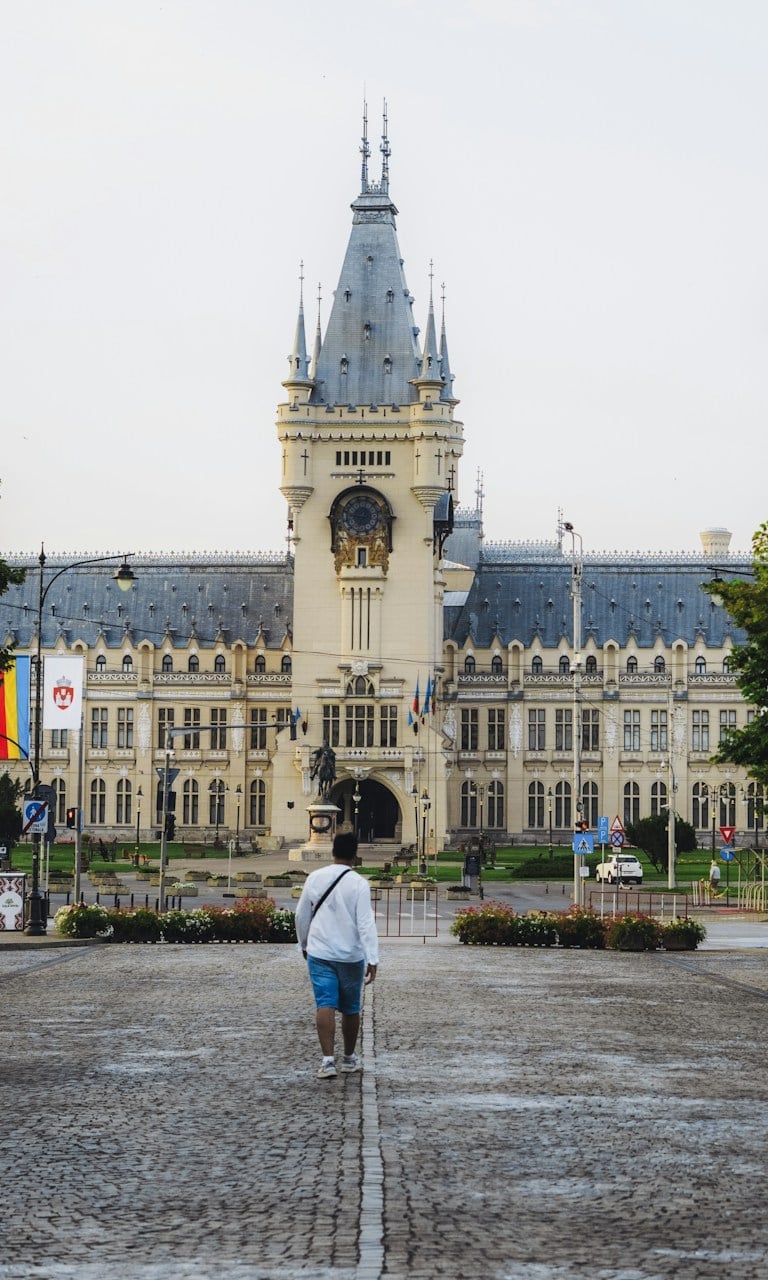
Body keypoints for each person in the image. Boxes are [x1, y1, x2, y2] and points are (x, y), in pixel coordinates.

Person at [295, 831, 379, 1079]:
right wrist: (372, 957)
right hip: (350, 955)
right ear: (355, 854)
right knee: (351, 1008)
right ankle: (350, 1058)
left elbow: (302, 915)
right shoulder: (359, 884)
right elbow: (366, 924)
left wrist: (304, 944)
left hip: (320, 952)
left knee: (325, 1003)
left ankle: (328, 1061)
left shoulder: (315, 877)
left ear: (333, 851)